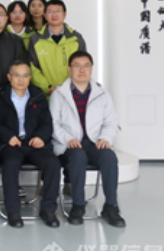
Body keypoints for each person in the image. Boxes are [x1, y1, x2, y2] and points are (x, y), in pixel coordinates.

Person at [50, 51, 125, 227]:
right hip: (69, 143)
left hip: (94, 142)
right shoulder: (59, 94)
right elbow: (53, 124)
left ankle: (111, 206)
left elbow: (111, 122)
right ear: (69, 69)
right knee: (78, 156)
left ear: (91, 69)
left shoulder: (103, 94)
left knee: (109, 157)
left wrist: (105, 138)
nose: (82, 70)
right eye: (77, 66)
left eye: (86, 66)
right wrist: (68, 139)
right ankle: (78, 205)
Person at [0, 60, 60, 228]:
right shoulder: (0, 97)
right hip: (12, 144)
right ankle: (13, 211)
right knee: (10, 163)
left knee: (53, 163)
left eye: (25, 76)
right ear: (9, 77)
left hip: (34, 143)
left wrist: (40, 137)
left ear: (30, 78)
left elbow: (47, 123)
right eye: (17, 75)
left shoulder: (38, 96)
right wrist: (8, 136)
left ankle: (48, 209)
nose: (21, 80)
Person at [28, 0, 87, 96]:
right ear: (45, 15)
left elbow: (83, 66)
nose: (54, 15)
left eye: (58, 11)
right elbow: (33, 69)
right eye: (50, 12)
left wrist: (68, 88)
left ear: (65, 14)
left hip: (72, 94)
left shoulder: (76, 38)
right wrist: (48, 88)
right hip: (45, 96)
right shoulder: (35, 39)